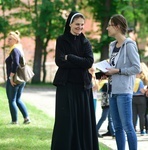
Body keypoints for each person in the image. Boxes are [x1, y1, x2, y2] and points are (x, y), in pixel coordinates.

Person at [51, 11, 99, 150]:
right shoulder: (61, 40)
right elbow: (60, 61)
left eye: (82, 25)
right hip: (65, 86)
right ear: (70, 24)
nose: (80, 27)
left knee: (82, 120)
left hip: (83, 87)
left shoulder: (85, 42)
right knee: (66, 120)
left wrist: (70, 57)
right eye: (77, 24)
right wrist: (80, 62)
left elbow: (89, 62)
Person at [105, 14, 141, 150]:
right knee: (117, 127)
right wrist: (105, 73)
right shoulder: (112, 45)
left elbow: (136, 67)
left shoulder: (130, 45)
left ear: (117, 26)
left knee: (128, 127)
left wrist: (118, 71)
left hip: (124, 91)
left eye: (109, 25)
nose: (107, 28)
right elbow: (113, 66)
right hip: (112, 90)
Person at [5, 31, 31, 124]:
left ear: (15, 40)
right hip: (21, 79)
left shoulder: (15, 50)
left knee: (12, 100)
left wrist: (11, 77)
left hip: (15, 79)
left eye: (10, 39)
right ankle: (26, 118)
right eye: (8, 39)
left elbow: (15, 63)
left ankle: (14, 121)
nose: (8, 41)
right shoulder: (19, 49)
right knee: (18, 99)